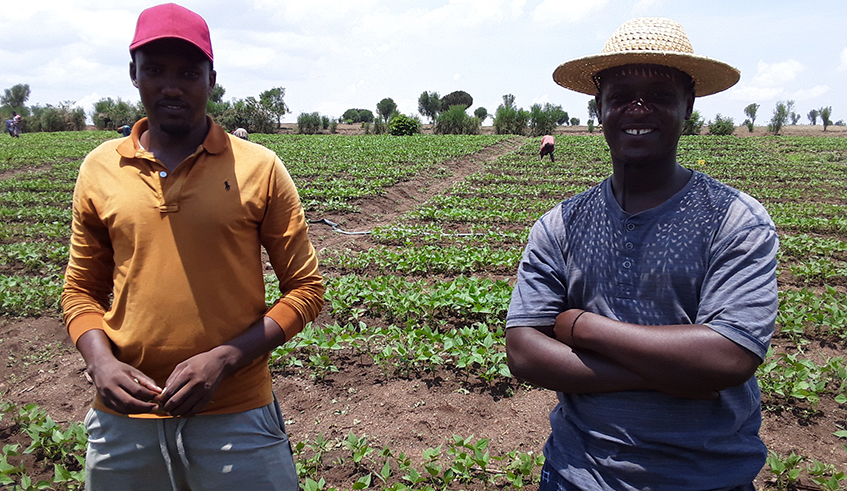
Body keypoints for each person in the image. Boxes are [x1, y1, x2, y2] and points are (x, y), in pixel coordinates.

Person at [505, 17, 778, 491]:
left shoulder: (735, 219)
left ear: (688, 107)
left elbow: (727, 358)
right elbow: (524, 352)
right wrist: (675, 375)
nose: (638, 108)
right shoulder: (560, 224)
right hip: (575, 473)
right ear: (600, 108)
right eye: (622, 93)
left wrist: (581, 326)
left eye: (660, 95)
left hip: (708, 478)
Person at [61, 3, 324, 490]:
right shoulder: (98, 170)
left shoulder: (259, 167)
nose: (172, 85)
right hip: (125, 419)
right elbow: (80, 290)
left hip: (237, 416)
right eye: (156, 70)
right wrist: (100, 363)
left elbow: (305, 290)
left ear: (211, 77)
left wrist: (224, 359)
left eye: (188, 71)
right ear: (134, 74)